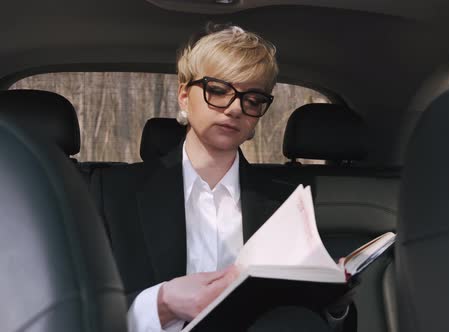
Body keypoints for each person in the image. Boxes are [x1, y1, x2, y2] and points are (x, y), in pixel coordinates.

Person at [93, 25, 355, 332]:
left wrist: (335, 304)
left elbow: (308, 318)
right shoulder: (113, 191)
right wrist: (162, 304)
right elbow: (74, 307)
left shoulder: (287, 205)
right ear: (183, 96)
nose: (234, 108)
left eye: (253, 99)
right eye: (217, 90)